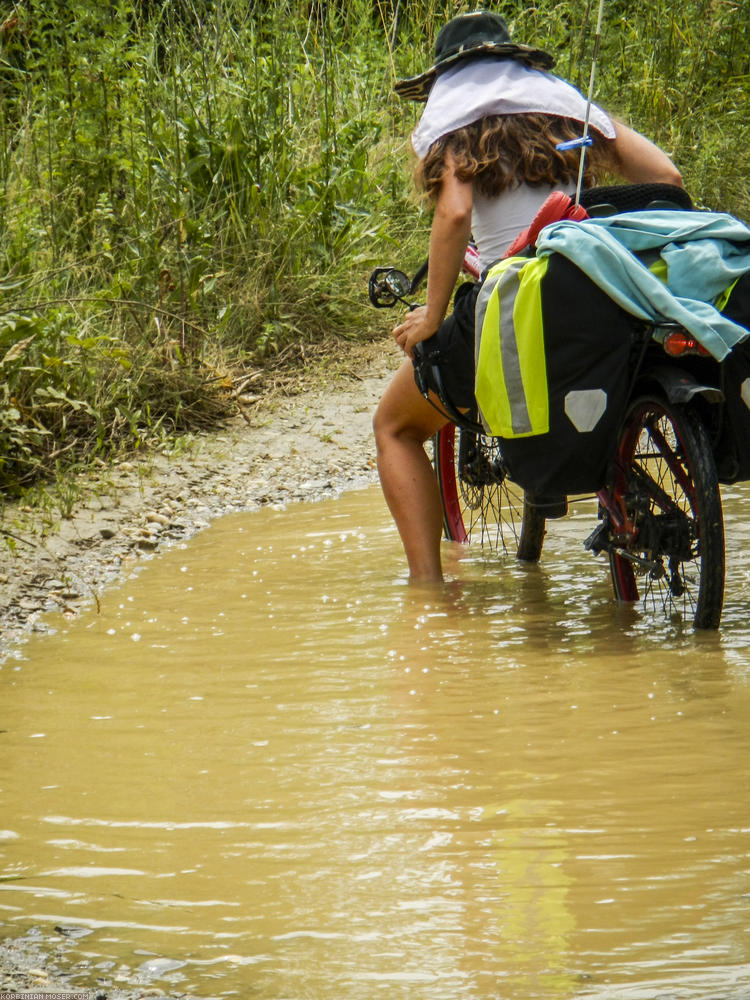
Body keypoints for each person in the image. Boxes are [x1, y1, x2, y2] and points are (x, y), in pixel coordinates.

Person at [372, 9, 683, 583]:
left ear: (447, 87)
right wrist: (590, 124)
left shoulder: (460, 134)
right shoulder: (564, 125)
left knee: (393, 426)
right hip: (605, 302)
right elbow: (666, 178)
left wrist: (433, 315)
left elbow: (456, 213)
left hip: (516, 306)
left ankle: (427, 593)